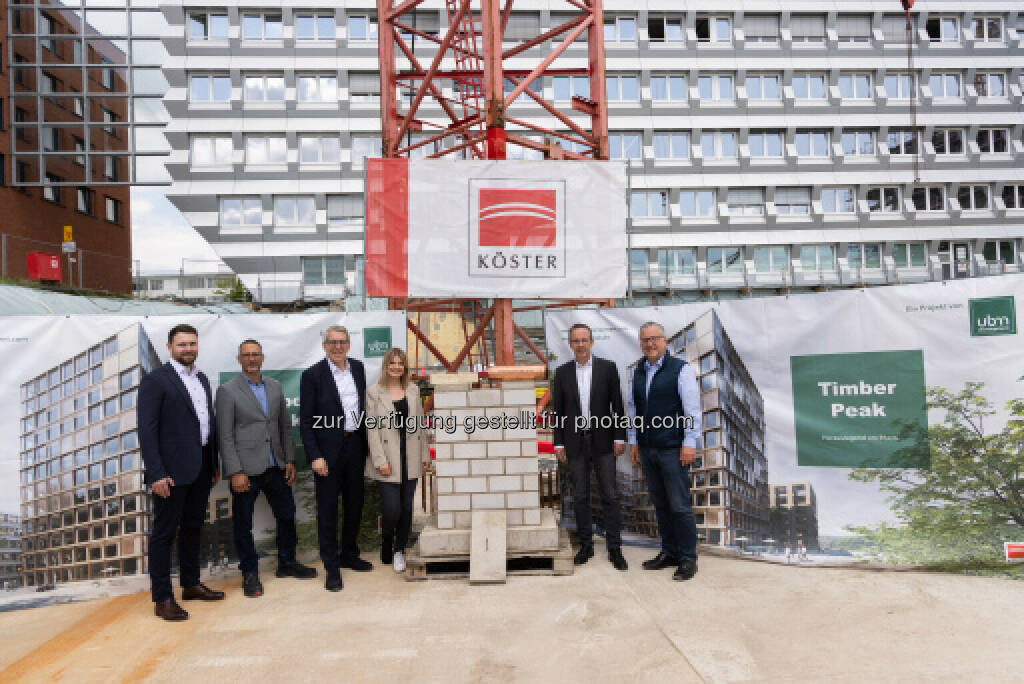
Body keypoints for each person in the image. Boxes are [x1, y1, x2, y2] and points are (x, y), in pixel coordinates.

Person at [216, 338, 317, 598]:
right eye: (246, 355)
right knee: (243, 525)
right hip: (245, 471)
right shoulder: (227, 391)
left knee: (287, 515)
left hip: (276, 467)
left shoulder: (274, 387)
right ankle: (249, 573)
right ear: (239, 360)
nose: (251, 359)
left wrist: (290, 460)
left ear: (263, 358)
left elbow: (284, 426)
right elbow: (224, 435)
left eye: (256, 354)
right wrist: (235, 471)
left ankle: (287, 562)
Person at [138, 323, 224, 621]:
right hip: (170, 473)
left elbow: (206, 424)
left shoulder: (201, 378)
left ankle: (190, 584)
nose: (188, 349)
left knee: (192, 528)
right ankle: (162, 598)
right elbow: (147, 432)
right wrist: (156, 473)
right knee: (164, 534)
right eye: (182, 344)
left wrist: (212, 464)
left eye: (192, 344)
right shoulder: (155, 381)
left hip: (200, 467)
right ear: (170, 347)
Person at [627, 321, 703, 582]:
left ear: (664, 341)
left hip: (673, 449)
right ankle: (669, 552)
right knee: (660, 504)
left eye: (654, 339)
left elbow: (692, 409)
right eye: (645, 340)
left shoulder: (680, 370)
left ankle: (687, 558)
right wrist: (634, 441)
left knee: (679, 506)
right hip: (648, 450)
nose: (650, 344)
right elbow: (634, 410)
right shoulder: (638, 372)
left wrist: (690, 443)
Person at [551, 323, 628, 571]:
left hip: (604, 441)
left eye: (585, 340)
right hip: (575, 443)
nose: (581, 345)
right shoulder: (562, 373)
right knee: (581, 496)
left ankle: (615, 548)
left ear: (592, 342)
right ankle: (586, 545)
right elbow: (558, 412)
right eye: (576, 341)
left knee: (609, 495)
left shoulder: (608, 368)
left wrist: (619, 437)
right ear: (571, 345)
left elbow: (617, 405)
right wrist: (559, 442)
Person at [299, 325, 371, 592]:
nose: (337, 347)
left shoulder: (359, 369)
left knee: (355, 505)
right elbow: (306, 422)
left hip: (355, 447)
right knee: (327, 511)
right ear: (324, 346)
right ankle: (331, 567)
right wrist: (315, 456)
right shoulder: (312, 375)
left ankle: (349, 554)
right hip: (327, 454)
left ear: (349, 345)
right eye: (332, 342)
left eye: (342, 342)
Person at [364, 348, 431, 573]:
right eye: (392, 363)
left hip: (410, 456)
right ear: (386, 366)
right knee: (392, 510)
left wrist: (425, 455)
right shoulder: (374, 392)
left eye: (400, 363)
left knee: (406, 508)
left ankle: (399, 551)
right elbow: (371, 430)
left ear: (405, 367)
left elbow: (421, 425)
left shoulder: (413, 390)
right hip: (387, 459)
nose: (396, 367)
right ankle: (386, 541)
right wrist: (379, 460)